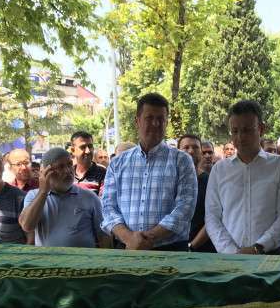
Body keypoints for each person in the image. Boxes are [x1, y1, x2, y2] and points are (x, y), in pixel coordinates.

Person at [101, 92, 197, 251]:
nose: (155, 123)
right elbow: (108, 207)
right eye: (149, 118)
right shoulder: (118, 163)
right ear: (137, 121)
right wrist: (130, 239)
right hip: (127, 249)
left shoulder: (182, 161)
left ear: (166, 122)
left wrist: (146, 239)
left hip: (170, 251)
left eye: (161, 119)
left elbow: (185, 208)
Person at [206, 100, 280, 255]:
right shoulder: (219, 170)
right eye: (235, 131)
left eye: (247, 130)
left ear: (261, 129)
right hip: (229, 256)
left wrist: (258, 248)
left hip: (269, 254)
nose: (240, 137)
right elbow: (212, 218)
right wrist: (232, 252)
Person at [19, 148, 104, 248]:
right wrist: (43, 192)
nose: (68, 171)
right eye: (60, 167)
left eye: (69, 164)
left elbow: (103, 236)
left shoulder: (89, 197)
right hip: (48, 257)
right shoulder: (34, 196)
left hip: (84, 257)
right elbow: (27, 226)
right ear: (46, 172)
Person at [179, 134, 214, 253]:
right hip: (175, 249)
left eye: (195, 147)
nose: (191, 151)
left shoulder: (210, 181)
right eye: (186, 147)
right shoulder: (171, 181)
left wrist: (192, 246)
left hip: (204, 250)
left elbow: (213, 218)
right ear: (178, 151)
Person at [71, 131, 106, 195]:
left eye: (90, 146)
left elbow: (104, 199)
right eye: (83, 147)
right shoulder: (67, 173)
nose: (88, 151)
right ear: (73, 151)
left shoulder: (102, 172)